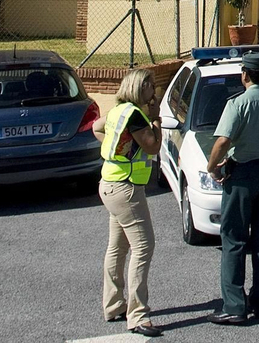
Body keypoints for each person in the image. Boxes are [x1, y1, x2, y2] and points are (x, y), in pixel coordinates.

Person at [204, 53, 259, 325]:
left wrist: (212, 167)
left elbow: (222, 142)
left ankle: (234, 305)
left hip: (242, 174)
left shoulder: (238, 104)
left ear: (245, 75)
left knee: (234, 237)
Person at [99, 69, 165, 337]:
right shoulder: (136, 115)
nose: (153, 90)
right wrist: (157, 119)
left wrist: (114, 153)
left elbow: (95, 128)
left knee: (118, 247)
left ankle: (113, 305)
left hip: (110, 183)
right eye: (151, 85)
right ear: (142, 87)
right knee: (143, 246)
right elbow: (152, 146)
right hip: (126, 188)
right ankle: (137, 315)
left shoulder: (118, 109)